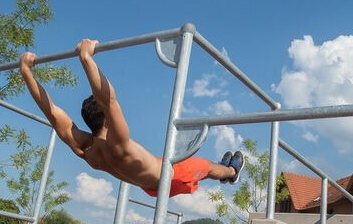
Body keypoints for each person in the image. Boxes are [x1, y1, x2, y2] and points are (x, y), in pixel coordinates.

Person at [19, 39, 245, 198]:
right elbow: (109, 100)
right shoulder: (118, 145)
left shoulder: (87, 151)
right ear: (107, 119)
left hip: (149, 184)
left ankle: (223, 170)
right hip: (171, 176)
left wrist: (26, 72)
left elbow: (52, 113)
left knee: (198, 169)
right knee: (207, 168)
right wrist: (86, 58)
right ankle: (232, 173)